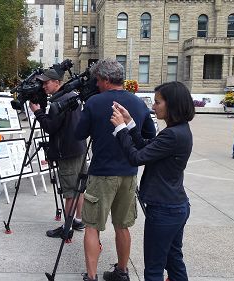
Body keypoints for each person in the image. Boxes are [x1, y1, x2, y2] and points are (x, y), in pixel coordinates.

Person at [75, 58, 156, 281]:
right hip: (129, 173)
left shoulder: (94, 102)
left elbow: (79, 135)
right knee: (122, 225)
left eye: (98, 80)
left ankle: (91, 277)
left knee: (92, 226)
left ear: (106, 79)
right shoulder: (138, 103)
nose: (97, 84)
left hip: (102, 173)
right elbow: (150, 136)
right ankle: (122, 271)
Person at [111, 81, 194, 281]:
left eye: (157, 102)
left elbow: (136, 158)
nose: (153, 106)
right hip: (175, 206)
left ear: (172, 104)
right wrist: (130, 123)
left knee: (154, 269)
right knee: (173, 260)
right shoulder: (178, 131)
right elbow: (145, 148)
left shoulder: (172, 135)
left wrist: (120, 129)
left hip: (165, 210)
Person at [29, 68, 88, 237]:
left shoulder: (58, 103)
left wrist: (38, 112)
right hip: (79, 148)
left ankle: (67, 228)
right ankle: (78, 219)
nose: (44, 86)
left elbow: (50, 127)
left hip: (68, 152)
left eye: (47, 83)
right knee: (79, 188)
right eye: (43, 83)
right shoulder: (72, 96)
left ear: (57, 82)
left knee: (69, 191)